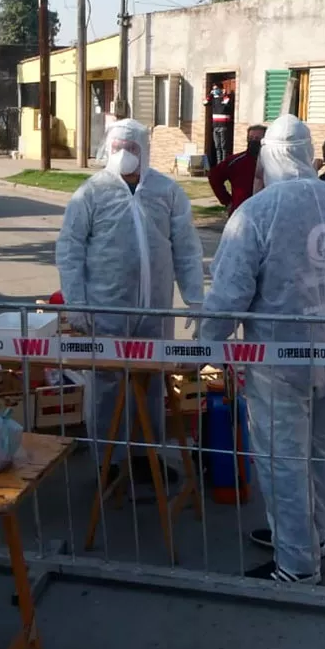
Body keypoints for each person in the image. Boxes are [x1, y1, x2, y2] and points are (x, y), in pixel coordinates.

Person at [199, 114, 325, 584]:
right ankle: (309, 537)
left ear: (269, 157)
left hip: (277, 362)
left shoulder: (257, 213)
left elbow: (229, 294)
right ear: (309, 154)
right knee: (321, 453)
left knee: (283, 459)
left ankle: (297, 566)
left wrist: (205, 345)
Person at [56, 119, 204, 484]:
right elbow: (70, 250)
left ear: (145, 150)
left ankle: (144, 456)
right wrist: (77, 303)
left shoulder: (166, 192)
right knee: (107, 383)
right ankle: (108, 459)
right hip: (107, 308)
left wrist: (195, 298)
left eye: (132, 148)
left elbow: (185, 247)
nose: (124, 155)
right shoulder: (92, 192)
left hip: (154, 309)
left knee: (151, 382)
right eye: (119, 147)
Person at [208, 124, 266, 212]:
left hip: (266, 211)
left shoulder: (272, 162)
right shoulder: (235, 161)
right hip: (241, 212)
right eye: (250, 138)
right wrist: (227, 201)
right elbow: (214, 176)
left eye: (257, 139)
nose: (254, 141)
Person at [203, 82, 233, 167]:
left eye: (216, 89)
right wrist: (210, 94)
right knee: (217, 147)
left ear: (220, 89)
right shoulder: (213, 100)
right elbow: (205, 102)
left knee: (223, 147)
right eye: (214, 89)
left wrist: (223, 94)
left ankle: (224, 163)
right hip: (215, 126)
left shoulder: (224, 98)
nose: (215, 90)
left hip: (223, 126)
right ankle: (219, 164)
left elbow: (227, 101)